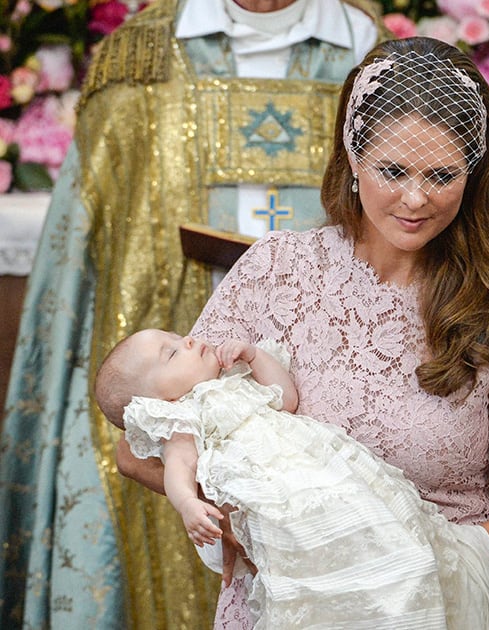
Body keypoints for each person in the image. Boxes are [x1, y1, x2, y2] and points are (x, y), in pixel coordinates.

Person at [116, 36, 489, 629]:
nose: (416, 199)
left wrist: (378, 569)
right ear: (352, 157)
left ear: (474, 173)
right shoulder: (276, 269)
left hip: (433, 610)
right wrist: (268, 526)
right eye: (394, 170)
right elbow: (143, 440)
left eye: (442, 175)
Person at [0, 1, 384, 627]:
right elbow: (91, 244)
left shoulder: (369, 51)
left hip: (333, 352)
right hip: (176, 322)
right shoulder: (142, 55)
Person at [95, 329, 489, 629]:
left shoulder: (233, 379)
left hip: (328, 475)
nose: (186, 341)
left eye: (175, 336)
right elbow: (178, 469)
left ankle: (409, 595)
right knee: (314, 577)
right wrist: (187, 504)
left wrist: (255, 356)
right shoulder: (181, 418)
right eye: (170, 355)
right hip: (279, 504)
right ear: (158, 402)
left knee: (382, 531)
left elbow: (285, 397)